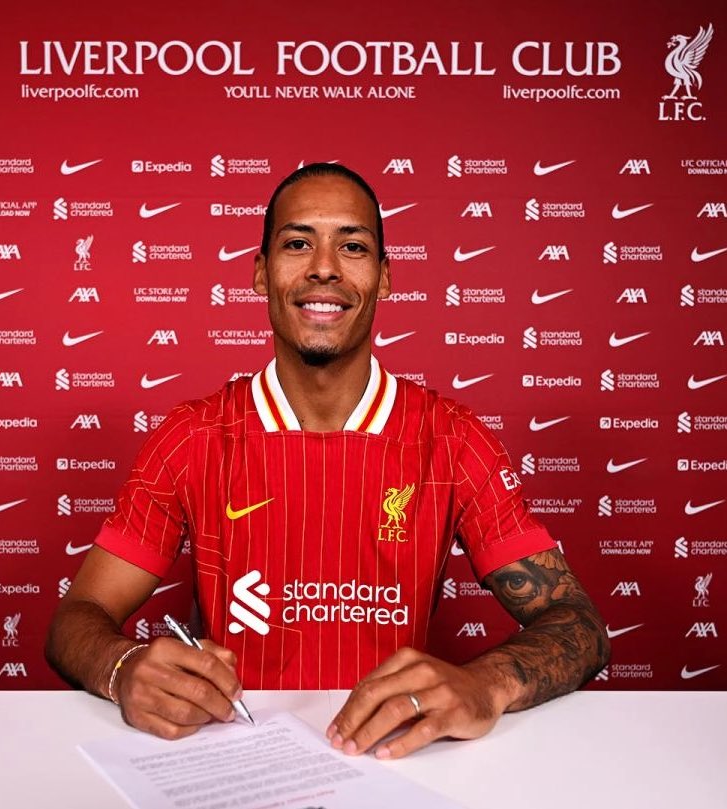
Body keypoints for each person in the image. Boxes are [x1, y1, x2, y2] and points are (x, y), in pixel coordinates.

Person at [46, 162, 610, 760]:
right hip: (233, 757)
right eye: (297, 244)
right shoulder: (193, 437)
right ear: (260, 273)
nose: (324, 267)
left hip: (393, 759)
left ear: (384, 277)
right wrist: (122, 665)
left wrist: (486, 683)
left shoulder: (452, 438)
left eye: (353, 246)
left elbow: (579, 624)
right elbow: (78, 617)